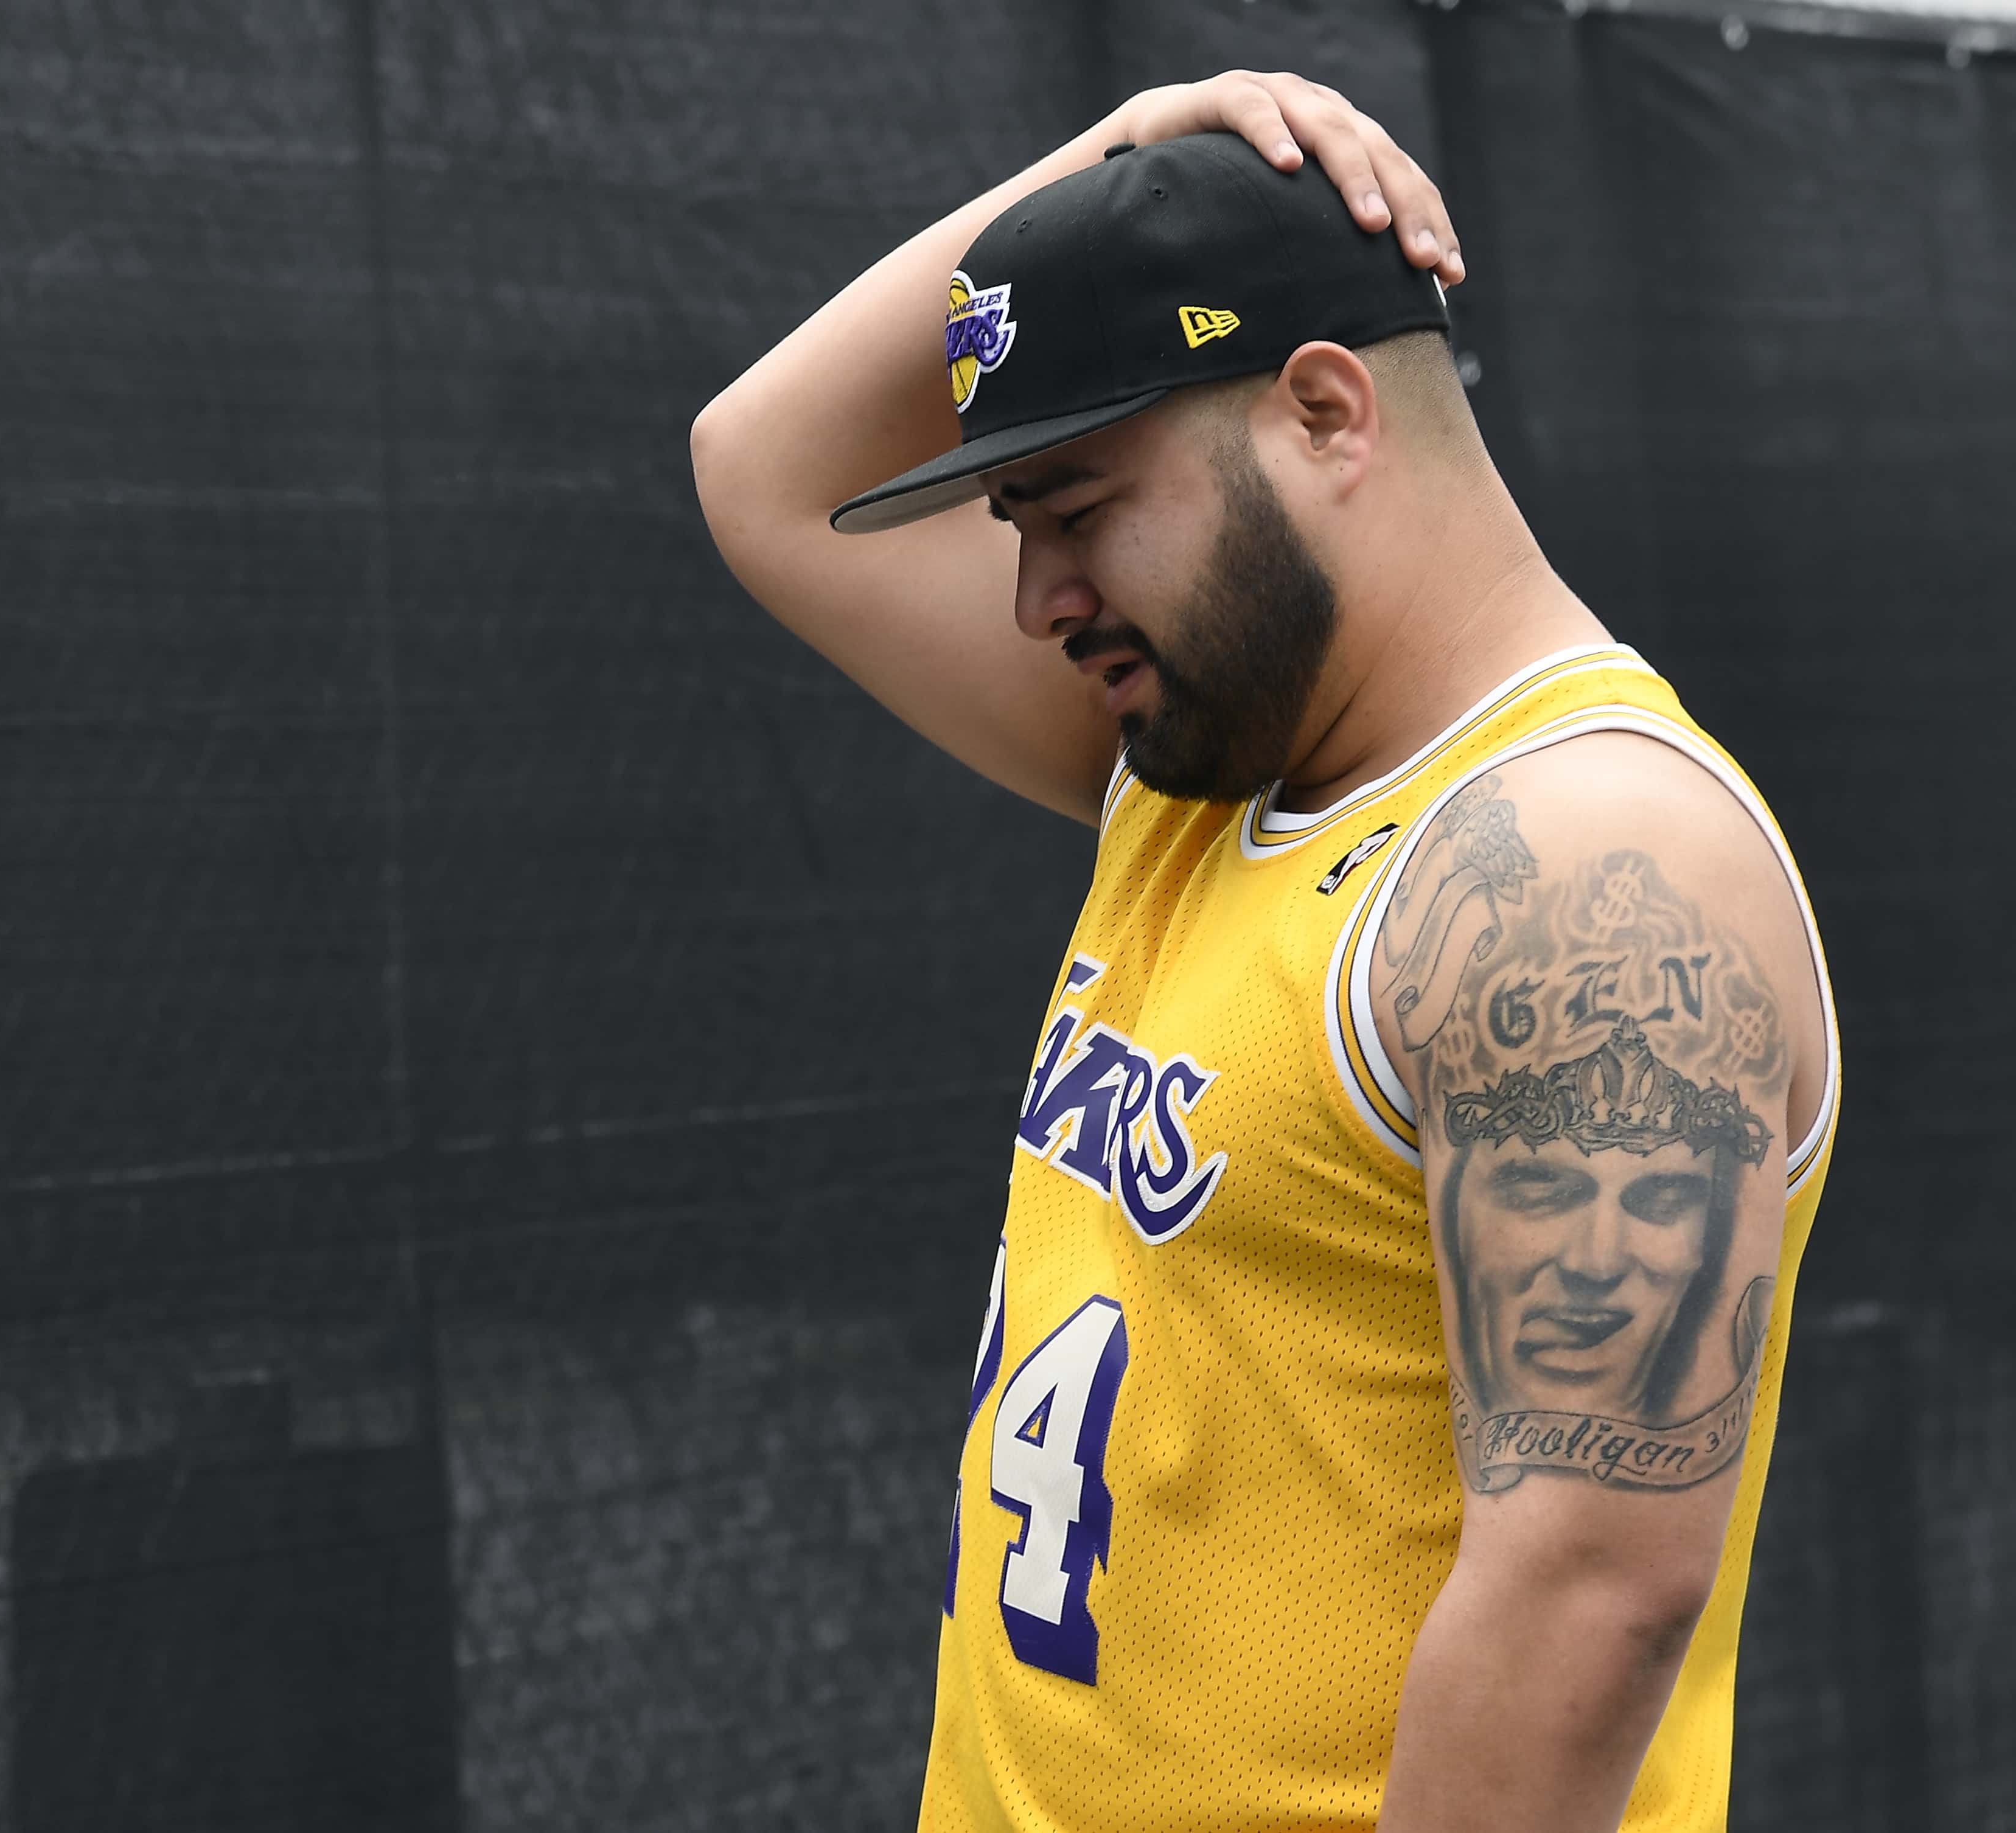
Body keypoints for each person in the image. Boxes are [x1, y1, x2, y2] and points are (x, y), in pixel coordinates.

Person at [690, 71, 1836, 1833]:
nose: (1040, 599)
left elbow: (1589, 1601)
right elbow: (757, 466)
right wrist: (1129, 153)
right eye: (1021, 531)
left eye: (1079, 509)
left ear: (1323, 412)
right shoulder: (1201, 759)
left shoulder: (1590, 863)